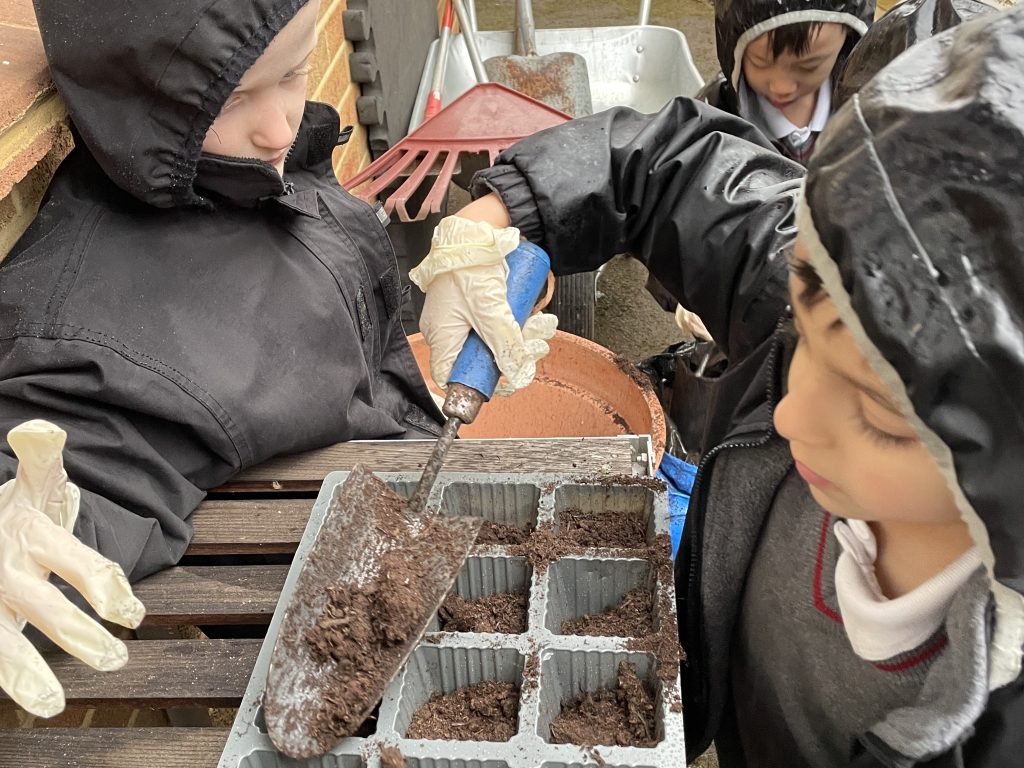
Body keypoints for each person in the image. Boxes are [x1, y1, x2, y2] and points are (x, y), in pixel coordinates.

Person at [410, 6, 1024, 765]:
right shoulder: (857, 287)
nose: (793, 409)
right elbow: (663, 168)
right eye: (802, 321)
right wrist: (499, 220)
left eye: (876, 415)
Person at [1, 0, 552, 717]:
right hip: (312, 625)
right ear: (139, 87)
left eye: (293, 74)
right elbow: (72, 459)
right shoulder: (97, 328)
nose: (281, 125)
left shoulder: (241, 173)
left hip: (384, 500)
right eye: (233, 95)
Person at [698, 0, 875, 165]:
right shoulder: (713, 117)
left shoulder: (870, 107)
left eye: (809, 66)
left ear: (850, 41)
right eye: (760, 62)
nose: (781, 87)